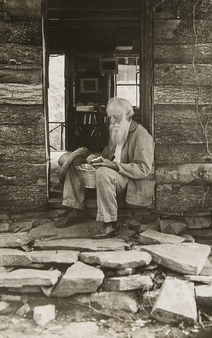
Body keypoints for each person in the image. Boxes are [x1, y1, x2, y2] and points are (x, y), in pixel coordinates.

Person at [56, 97, 154, 238]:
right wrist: (95, 160)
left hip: (130, 180)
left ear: (128, 115)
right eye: (110, 117)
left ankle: (110, 224)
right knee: (75, 163)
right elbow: (108, 155)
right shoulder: (116, 131)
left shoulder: (141, 135)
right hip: (112, 173)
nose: (113, 121)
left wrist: (112, 166)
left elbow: (143, 169)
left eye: (117, 117)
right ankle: (75, 210)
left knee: (103, 172)